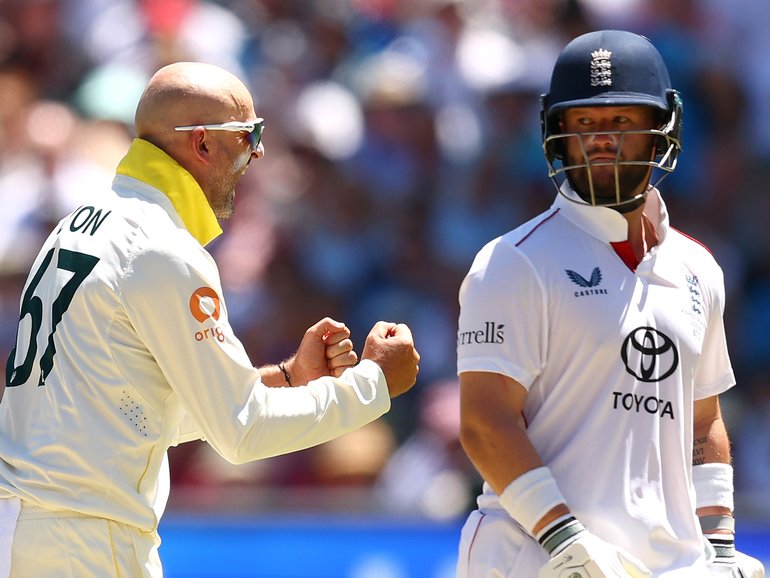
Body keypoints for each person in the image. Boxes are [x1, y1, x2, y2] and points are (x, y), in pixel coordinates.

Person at [0, 61, 420, 578]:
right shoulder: (164, 247)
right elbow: (242, 432)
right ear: (201, 144)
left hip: (31, 529)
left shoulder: (77, 224)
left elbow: (133, 407)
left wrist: (285, 380)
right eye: (249, 134)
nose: (259, 152)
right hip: (85, 538)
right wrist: (375, 384)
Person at [455, 30, 765, 578]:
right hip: (535, 559)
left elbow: (703, 423)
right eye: (584, 124)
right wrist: (567, 541)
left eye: (622, 122)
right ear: (558, 135)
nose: (602, 139)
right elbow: (485, 421)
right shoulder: (513, 262)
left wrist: (717, 547)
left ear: (660, 130)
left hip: (669, 565)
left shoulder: (698, 269)